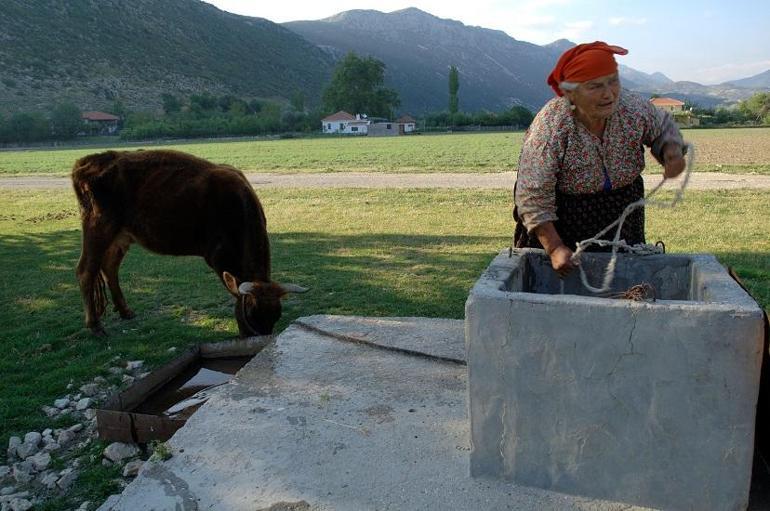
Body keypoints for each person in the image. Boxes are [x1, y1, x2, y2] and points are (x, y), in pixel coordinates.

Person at [513, 41, 686, 276]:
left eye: (613, 81)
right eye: (595, 86)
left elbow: (663, 128)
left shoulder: (632, 108)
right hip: (563, 219)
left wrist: (671, 152)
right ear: (571, 92)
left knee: (622, 281)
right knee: (556, 289)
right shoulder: (551, 125)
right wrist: (554, 248)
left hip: (623, 214)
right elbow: (532, 195)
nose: (609, 94)